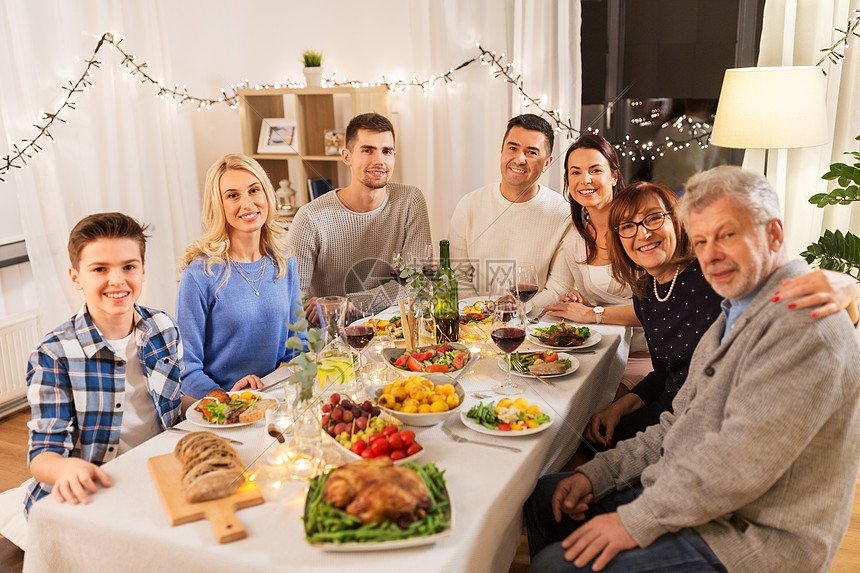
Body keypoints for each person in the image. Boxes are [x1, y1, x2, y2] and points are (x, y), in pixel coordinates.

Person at [526, 166, 860, 572]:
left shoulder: (804, 324)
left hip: (749, 536)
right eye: (702, 241)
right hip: (693, 494)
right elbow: (676, 424)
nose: (712, 254)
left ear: (774, 234)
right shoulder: (731, 314)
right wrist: (600, 474)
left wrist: (631, 523)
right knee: (548, 498)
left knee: (553, 565)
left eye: (727, 234)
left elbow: (737, 468)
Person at [25, 213, 183, 514]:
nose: (117, 280)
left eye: (129, 267)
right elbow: (43, 454)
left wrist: (218, 405)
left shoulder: (164, 328)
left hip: (158, 473)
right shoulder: (54, 354)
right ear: (76, 277)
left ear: (143, 270)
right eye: (100, 269)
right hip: (91, 491)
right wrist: (65, 469)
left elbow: (172, 405)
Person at [176, 153, 304, 400]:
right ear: (218, 205)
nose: (247, 204)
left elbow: (298, 344)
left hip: (278, 397)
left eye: (254, 190)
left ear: (266, 194)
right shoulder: (199, 274)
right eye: (233, 195)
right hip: (224, 406)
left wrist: (276, 387)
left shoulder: (285, 261)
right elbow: (186, 368)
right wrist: (228, 398)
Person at [286, 112, 431, 324]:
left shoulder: (410, 200)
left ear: (394, 157)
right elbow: (294, 302)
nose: (379, 160)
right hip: (334, 339)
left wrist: (348, 304)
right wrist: (393, 289)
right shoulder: (310, 217)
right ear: (347, 157)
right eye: (368, 150)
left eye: (386, 151)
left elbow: (419, 286)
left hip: (394, 331)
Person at [543, 133, 650, 392]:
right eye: (575, 172)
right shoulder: (575, 240)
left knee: (591, 412)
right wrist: (583, 302)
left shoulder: (639, 229)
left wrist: (592, 314)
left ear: (613, 176)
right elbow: (601, 299)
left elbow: (656, 310)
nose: (585, 180)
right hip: (605, 351)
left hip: (646, 356)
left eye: (595, 170)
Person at [448, 114, 571, 312]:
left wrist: (517, 312)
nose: (519, 159)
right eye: (513, 148)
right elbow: (458, 277)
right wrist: (482, 314)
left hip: (535, 324)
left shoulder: (564, 214)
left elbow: (559, 287)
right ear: (502, 151)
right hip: (476, 322)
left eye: (531, 153)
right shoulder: (468, 206)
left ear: (547, 163)